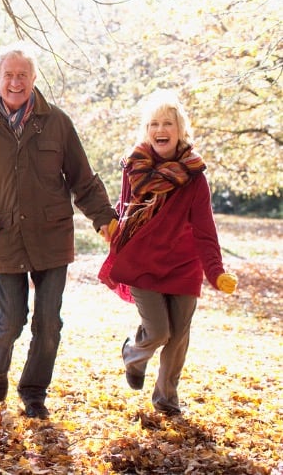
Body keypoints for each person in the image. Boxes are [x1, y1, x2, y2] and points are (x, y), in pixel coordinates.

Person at [0, 41, 117, 419]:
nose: (16, 82)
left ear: (34, 79)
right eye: (9, 75)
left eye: (23, 75)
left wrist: (104, 218)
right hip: (1, 237)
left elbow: (83, 180)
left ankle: (34, 392)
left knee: (48, 322)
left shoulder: (57, 123)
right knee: (12, 319)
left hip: (51, 236)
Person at [98, 90, 237, 416]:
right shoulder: (134, 167)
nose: (161, 129)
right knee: (160, 331)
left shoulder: (194, 177)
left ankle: (166, 399)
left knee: (178, 337)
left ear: (180, 130)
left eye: (168, 123)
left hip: (183, 265)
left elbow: (205, 229)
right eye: (153, 124)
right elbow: (125, 207)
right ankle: (133, 353)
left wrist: (216, 272)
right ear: (147, 131)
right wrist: (112, 224)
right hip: (142, 263)